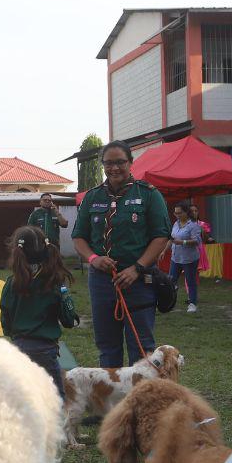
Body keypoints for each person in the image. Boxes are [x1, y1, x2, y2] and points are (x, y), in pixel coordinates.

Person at [71, 141, 171, 368]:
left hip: (138, 280)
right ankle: (112, 402)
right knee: (107, 345)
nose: (114, 168)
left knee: (141, 346)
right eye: (108, 163)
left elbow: (161, 236)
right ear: (102, 165)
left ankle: (142, 399)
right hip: (102, 280)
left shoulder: (148, 195)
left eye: (120, 162)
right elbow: (78, 237)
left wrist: (136, 268)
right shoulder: (92, 197)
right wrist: (94, 259)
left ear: (130, 162)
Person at [0, 225, 72, 398]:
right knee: (55, 399)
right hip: (46, 350)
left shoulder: (12, 283)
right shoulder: (54, 283)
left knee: (23, 396)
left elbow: (5, 320)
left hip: (19, 348)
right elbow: (68, 320)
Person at [168, 203, 202, 313]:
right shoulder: (175, 224)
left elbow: (197, 241)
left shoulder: (193, 225)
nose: (177, 215)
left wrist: (182, 242)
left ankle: (192, 304)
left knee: (190, 280)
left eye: (179, 213)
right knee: (171, 281)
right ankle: (170, 303)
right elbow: (171, 238)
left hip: (189, 259)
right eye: (175, 213)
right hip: (176, 258)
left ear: (186, 212)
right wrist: (163, 251)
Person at [188, 203, 213, 277]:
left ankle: (193, 288)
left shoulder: (202, 224)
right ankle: (189, 288)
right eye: (192, 211)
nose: (194, 213)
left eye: (196, 211)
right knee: (189, 272)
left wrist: (206, 235)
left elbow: (206, 239)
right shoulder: (186, 224)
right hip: (189, 249)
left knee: (196, 272)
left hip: (199, 249)